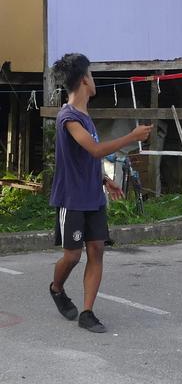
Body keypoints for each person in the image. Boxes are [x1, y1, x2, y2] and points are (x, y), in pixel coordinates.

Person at [48, 53, 153, 333]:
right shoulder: (68, 117)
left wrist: (106, 179)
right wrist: (132, 136)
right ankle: (57, 288)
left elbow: (87, 159)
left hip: (93, 196)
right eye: (92, 75)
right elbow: (94, 150)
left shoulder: (86, 117)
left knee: (96, 251)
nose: (93, 80)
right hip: (72, 198)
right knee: (72, 256)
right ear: (84, 79)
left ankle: (87, 312)